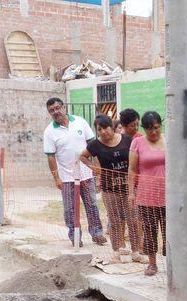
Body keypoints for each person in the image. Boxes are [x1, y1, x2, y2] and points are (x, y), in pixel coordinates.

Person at [80, 114, 145, 263]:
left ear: (112, 127)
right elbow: (82, 156)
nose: (103, 132)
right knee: (115, 220)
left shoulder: (128, 140)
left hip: (129, 188)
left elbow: (137, 159)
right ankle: (117, 252)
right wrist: (94, 167)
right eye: (99, 129)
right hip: (109, 189)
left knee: (133, 219)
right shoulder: (95, 145)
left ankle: (136, 252)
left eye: (105, 128)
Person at [43, 97, 107, 247]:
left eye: (58, 108)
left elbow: (93, 145)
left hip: (86, 174)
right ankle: (75, 237)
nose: (56, 112)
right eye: (52, 110)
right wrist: (56, 178)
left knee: (91, 204)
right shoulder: (49, 132)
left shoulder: (80, 122)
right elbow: (51, 157)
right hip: (66, 178)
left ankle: (97, 233)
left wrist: (96, 168)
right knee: (70, 209)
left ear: (64, 107)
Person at [128, 111, 166, 276]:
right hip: (146, 195)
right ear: (143, 128)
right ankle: (152, 263)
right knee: (150, 231)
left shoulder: (169, 140)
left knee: (169, 232)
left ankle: (172, 263)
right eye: (149, 129)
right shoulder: (137, 143)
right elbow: (132, 169)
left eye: (156, 128)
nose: (153, 132)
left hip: (168, 195)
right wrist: (131, 193)